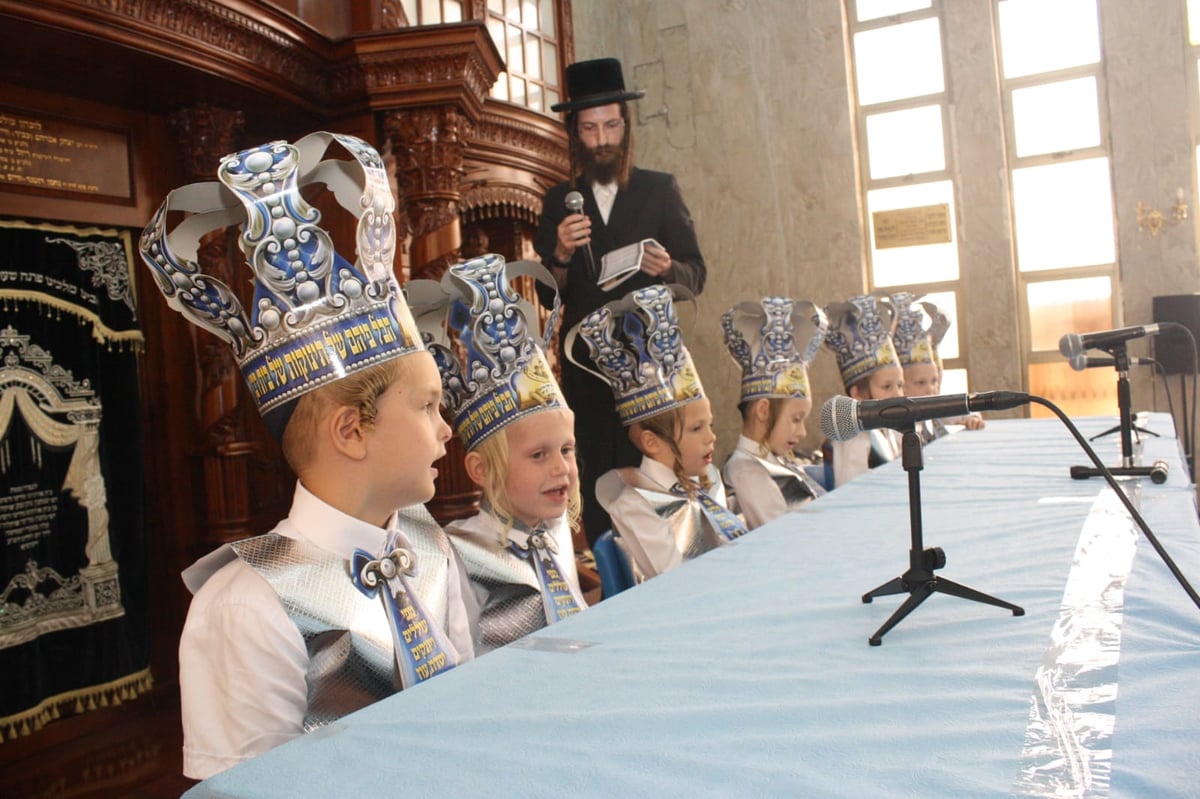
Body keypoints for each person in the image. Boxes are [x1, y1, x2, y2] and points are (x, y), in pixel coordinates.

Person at [139, 132, 476, 780]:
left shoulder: (427, 545)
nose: (448, 431)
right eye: (429, 405)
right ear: (352, 431)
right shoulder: (249, 605)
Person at [534, 57, 707, 548]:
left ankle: (670, 561)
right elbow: (550, 295)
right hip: (587, 370)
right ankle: (613, 575)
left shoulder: (659, 189)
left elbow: (697, 275)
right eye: (590, 128)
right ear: (575, 134)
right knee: (596, 475)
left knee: (656, 473)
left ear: (625, 127)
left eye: (611, 125)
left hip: (653, 369)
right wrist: (561, 253)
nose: (602, 138)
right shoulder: (558, 201)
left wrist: (668, 270)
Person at [416, 254, 587, 655]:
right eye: (538, 455)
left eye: (567, 450)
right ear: (479, 469)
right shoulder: (457, 554)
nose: (561, 467)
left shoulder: (556, 531)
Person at [570, 285, 746, 580]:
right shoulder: (637, 503)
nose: (711, 437)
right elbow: (678, 582)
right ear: (652, 442)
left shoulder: (707, 479)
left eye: (710, 425)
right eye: (696, 428)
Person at [721, 298, 829, 529]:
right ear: (763, 410)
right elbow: (783, 538)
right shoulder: (747, 472)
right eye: (796, 419)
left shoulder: (774, 461)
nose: (802, 432)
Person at [822, 293, 905, 487]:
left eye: (900, 385)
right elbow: (850, 494)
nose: (897, 394)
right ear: (857, 393)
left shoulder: (890, 428)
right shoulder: (854, 438)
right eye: (886, 387)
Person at [892, 292, 984, 439]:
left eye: (934, 381)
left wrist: (971, 418)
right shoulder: (894, 425)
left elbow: (965, 410)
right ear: (900, 385)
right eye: (921, 382)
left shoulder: (934, 410)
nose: (931, 389)